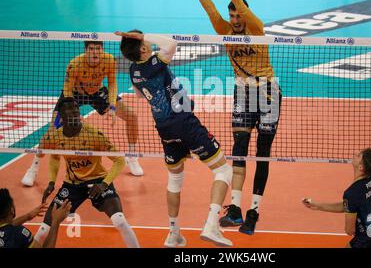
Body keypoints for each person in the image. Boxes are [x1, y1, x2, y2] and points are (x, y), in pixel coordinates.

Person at [116, 30, 234, 247]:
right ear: (142, 48)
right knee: (224, 170)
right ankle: (211, 225)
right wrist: (143, 37)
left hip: (164, 128)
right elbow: (171, 43)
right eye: (144, 43)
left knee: (175, 179)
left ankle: (174, 233)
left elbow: (140, 95)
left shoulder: (133, 71)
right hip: (183, 122)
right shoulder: (154, 62)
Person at [192, 0, 282, 235]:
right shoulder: (225, 31)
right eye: (231, 17)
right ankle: (235, 209)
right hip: (243, 92)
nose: (235, 20)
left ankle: (254, 211)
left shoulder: (256, 27)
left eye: (238, 16)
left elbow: (242, 7)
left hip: (267, 92)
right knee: (239, 149)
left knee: (263, 155)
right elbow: (210, 10)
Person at [21, 40, 143, 187]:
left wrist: (111, 107)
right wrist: (71, 111)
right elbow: (67, 89)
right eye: (91, 49)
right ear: (86, 50)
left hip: (97, 92)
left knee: (132, 117)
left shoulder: (109, 60)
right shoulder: (75, 64)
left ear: (102, 49)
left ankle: (132, 156)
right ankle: (33, 167)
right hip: (74, 94)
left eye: (98, 48)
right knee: (51, 133)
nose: (95, 52)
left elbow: (112, 83)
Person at [33, 97, 140, 248]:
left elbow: (120, 160)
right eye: (69, 109)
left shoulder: (94, 134)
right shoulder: (54, 137)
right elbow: (55, 157)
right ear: (61, 116)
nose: (75, 111)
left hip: (98, 180)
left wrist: (104, 184)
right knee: (45, 227)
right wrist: (51, 182)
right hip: (72, 185)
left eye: (76, 108)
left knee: (119, 220)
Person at [302, 148, 371, 248]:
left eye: (359, 156)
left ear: (361, 167)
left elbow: (349, 230)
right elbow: (348, 205)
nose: (355, 154)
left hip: (367, 237)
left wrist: (352, 227)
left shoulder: (352, 193)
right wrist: (317, 205)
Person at [0, 188, 71, 248]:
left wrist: (28, 216)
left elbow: (6, 227)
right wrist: (55, 222)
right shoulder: (19, 233)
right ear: (12, 210)